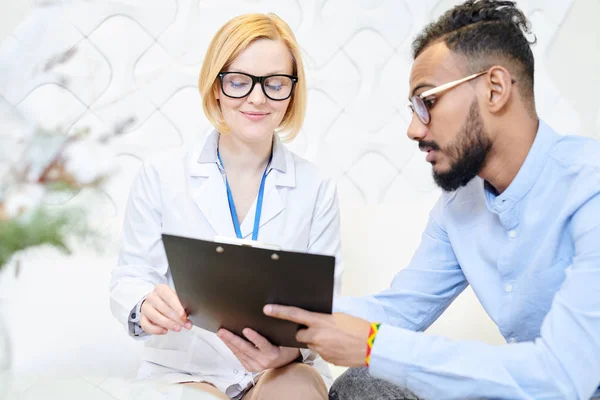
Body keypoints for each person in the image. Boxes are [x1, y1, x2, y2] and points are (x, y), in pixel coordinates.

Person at [263, 1, 600, 399]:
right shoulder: (459, 208)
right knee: (361, 388)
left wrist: (374, 344)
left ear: (495, 88)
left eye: (428, 101)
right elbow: (398, 312)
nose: (412, 129)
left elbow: (562, 377)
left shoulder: (588, 187)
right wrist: (281, 318)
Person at [109, 13, 342, 400]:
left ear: (291, 93)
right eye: (238, 81)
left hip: (281, 369)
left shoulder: (317, 188)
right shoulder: (161, 175)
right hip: (185, 370)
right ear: (216, 87)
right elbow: (131, 275)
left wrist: (289, 350)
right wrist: (145, 304)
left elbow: (323, 308)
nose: (257, 97)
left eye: (275, 83)